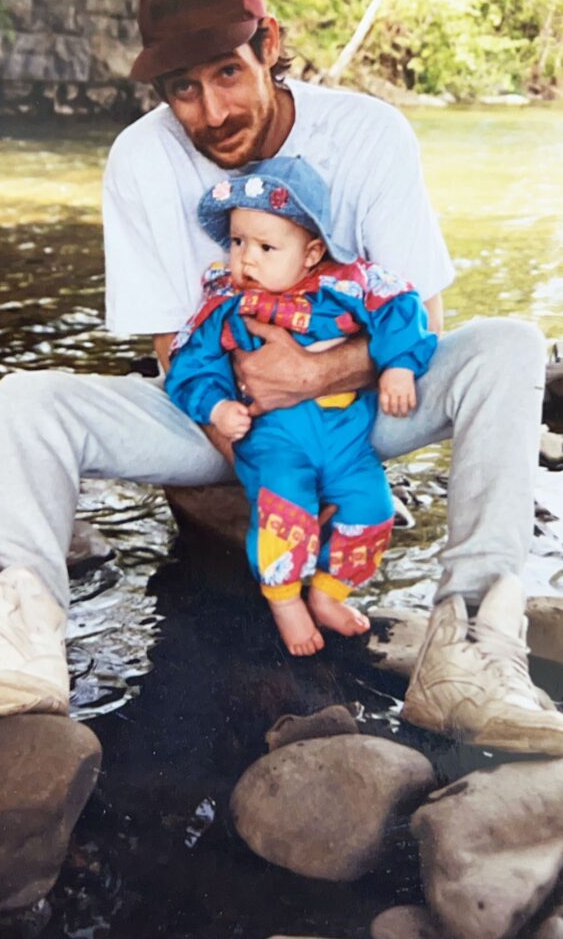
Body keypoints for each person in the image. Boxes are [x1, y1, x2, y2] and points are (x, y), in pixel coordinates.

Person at [0, 0, 559, 754]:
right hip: (229, 422)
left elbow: (422, 317)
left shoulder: (366, 133)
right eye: (182, 89)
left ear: (268, 44)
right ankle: (13, 627)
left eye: (227, 73)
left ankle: (470, 644)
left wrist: (314, 375)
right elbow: (176, 352)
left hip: (366, 408)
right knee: (29, 398)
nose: (210, 110)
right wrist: (272, 472)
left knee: (508, 346)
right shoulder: (141, 158)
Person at [165, 155, 437, 655]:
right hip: (274, 442)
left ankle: (330, 592)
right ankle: (285, 600)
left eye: (267, 247)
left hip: (347, 439)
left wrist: (399, 365)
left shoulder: (347, 288)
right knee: (284, 513)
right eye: (238, 243)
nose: (247, 259)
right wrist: (216, 407)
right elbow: (187, 365)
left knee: (373, 511)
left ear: (311, 253)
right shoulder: (228, 305)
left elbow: (403, 307)